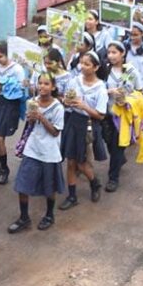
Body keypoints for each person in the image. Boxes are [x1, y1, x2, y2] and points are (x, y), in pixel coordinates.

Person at [9, 74, 65, 233]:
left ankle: (49, 215)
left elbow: (55, 132)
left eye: (46, 83)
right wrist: (31, 117)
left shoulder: (58, 108)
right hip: (32, 148)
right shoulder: (32, 102)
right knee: (23, 184)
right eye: (40, 83)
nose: (42, 87)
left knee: (49, 187)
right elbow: (30, 125)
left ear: (53, 87)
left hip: (49, 151)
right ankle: (24, 218)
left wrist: (41, 117)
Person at [59, 52, 108, 210]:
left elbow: (100, 115)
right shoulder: (74, 81)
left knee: (82, 162)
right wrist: (66, 102)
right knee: (70, 161)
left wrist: (83, 106)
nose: (82, 67)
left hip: (87, 125)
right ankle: (72, 195)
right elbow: (66, 101)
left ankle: (94, 183)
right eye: (81, 63)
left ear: (96, 67)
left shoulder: (100, 88)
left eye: (87, 64)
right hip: (73, 121)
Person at [0, 42, 25, 185]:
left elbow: (22, 87)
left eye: (1, 56)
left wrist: (3, 85)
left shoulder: (17, 69)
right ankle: (3, 166)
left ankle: (4, 168)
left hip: (10, 104)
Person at [103, 41, 139, 192]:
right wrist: (108, 92)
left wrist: (121, 94)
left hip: (122, 114)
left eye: (114, 52)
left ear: (122, 53)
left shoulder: (129, 70)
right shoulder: (105, 69)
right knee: (107, 139)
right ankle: (119, 160)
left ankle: (113, 178)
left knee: (118, 145)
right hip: (106, 111)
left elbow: (134, 90)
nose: (111, 56)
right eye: (109, 52)